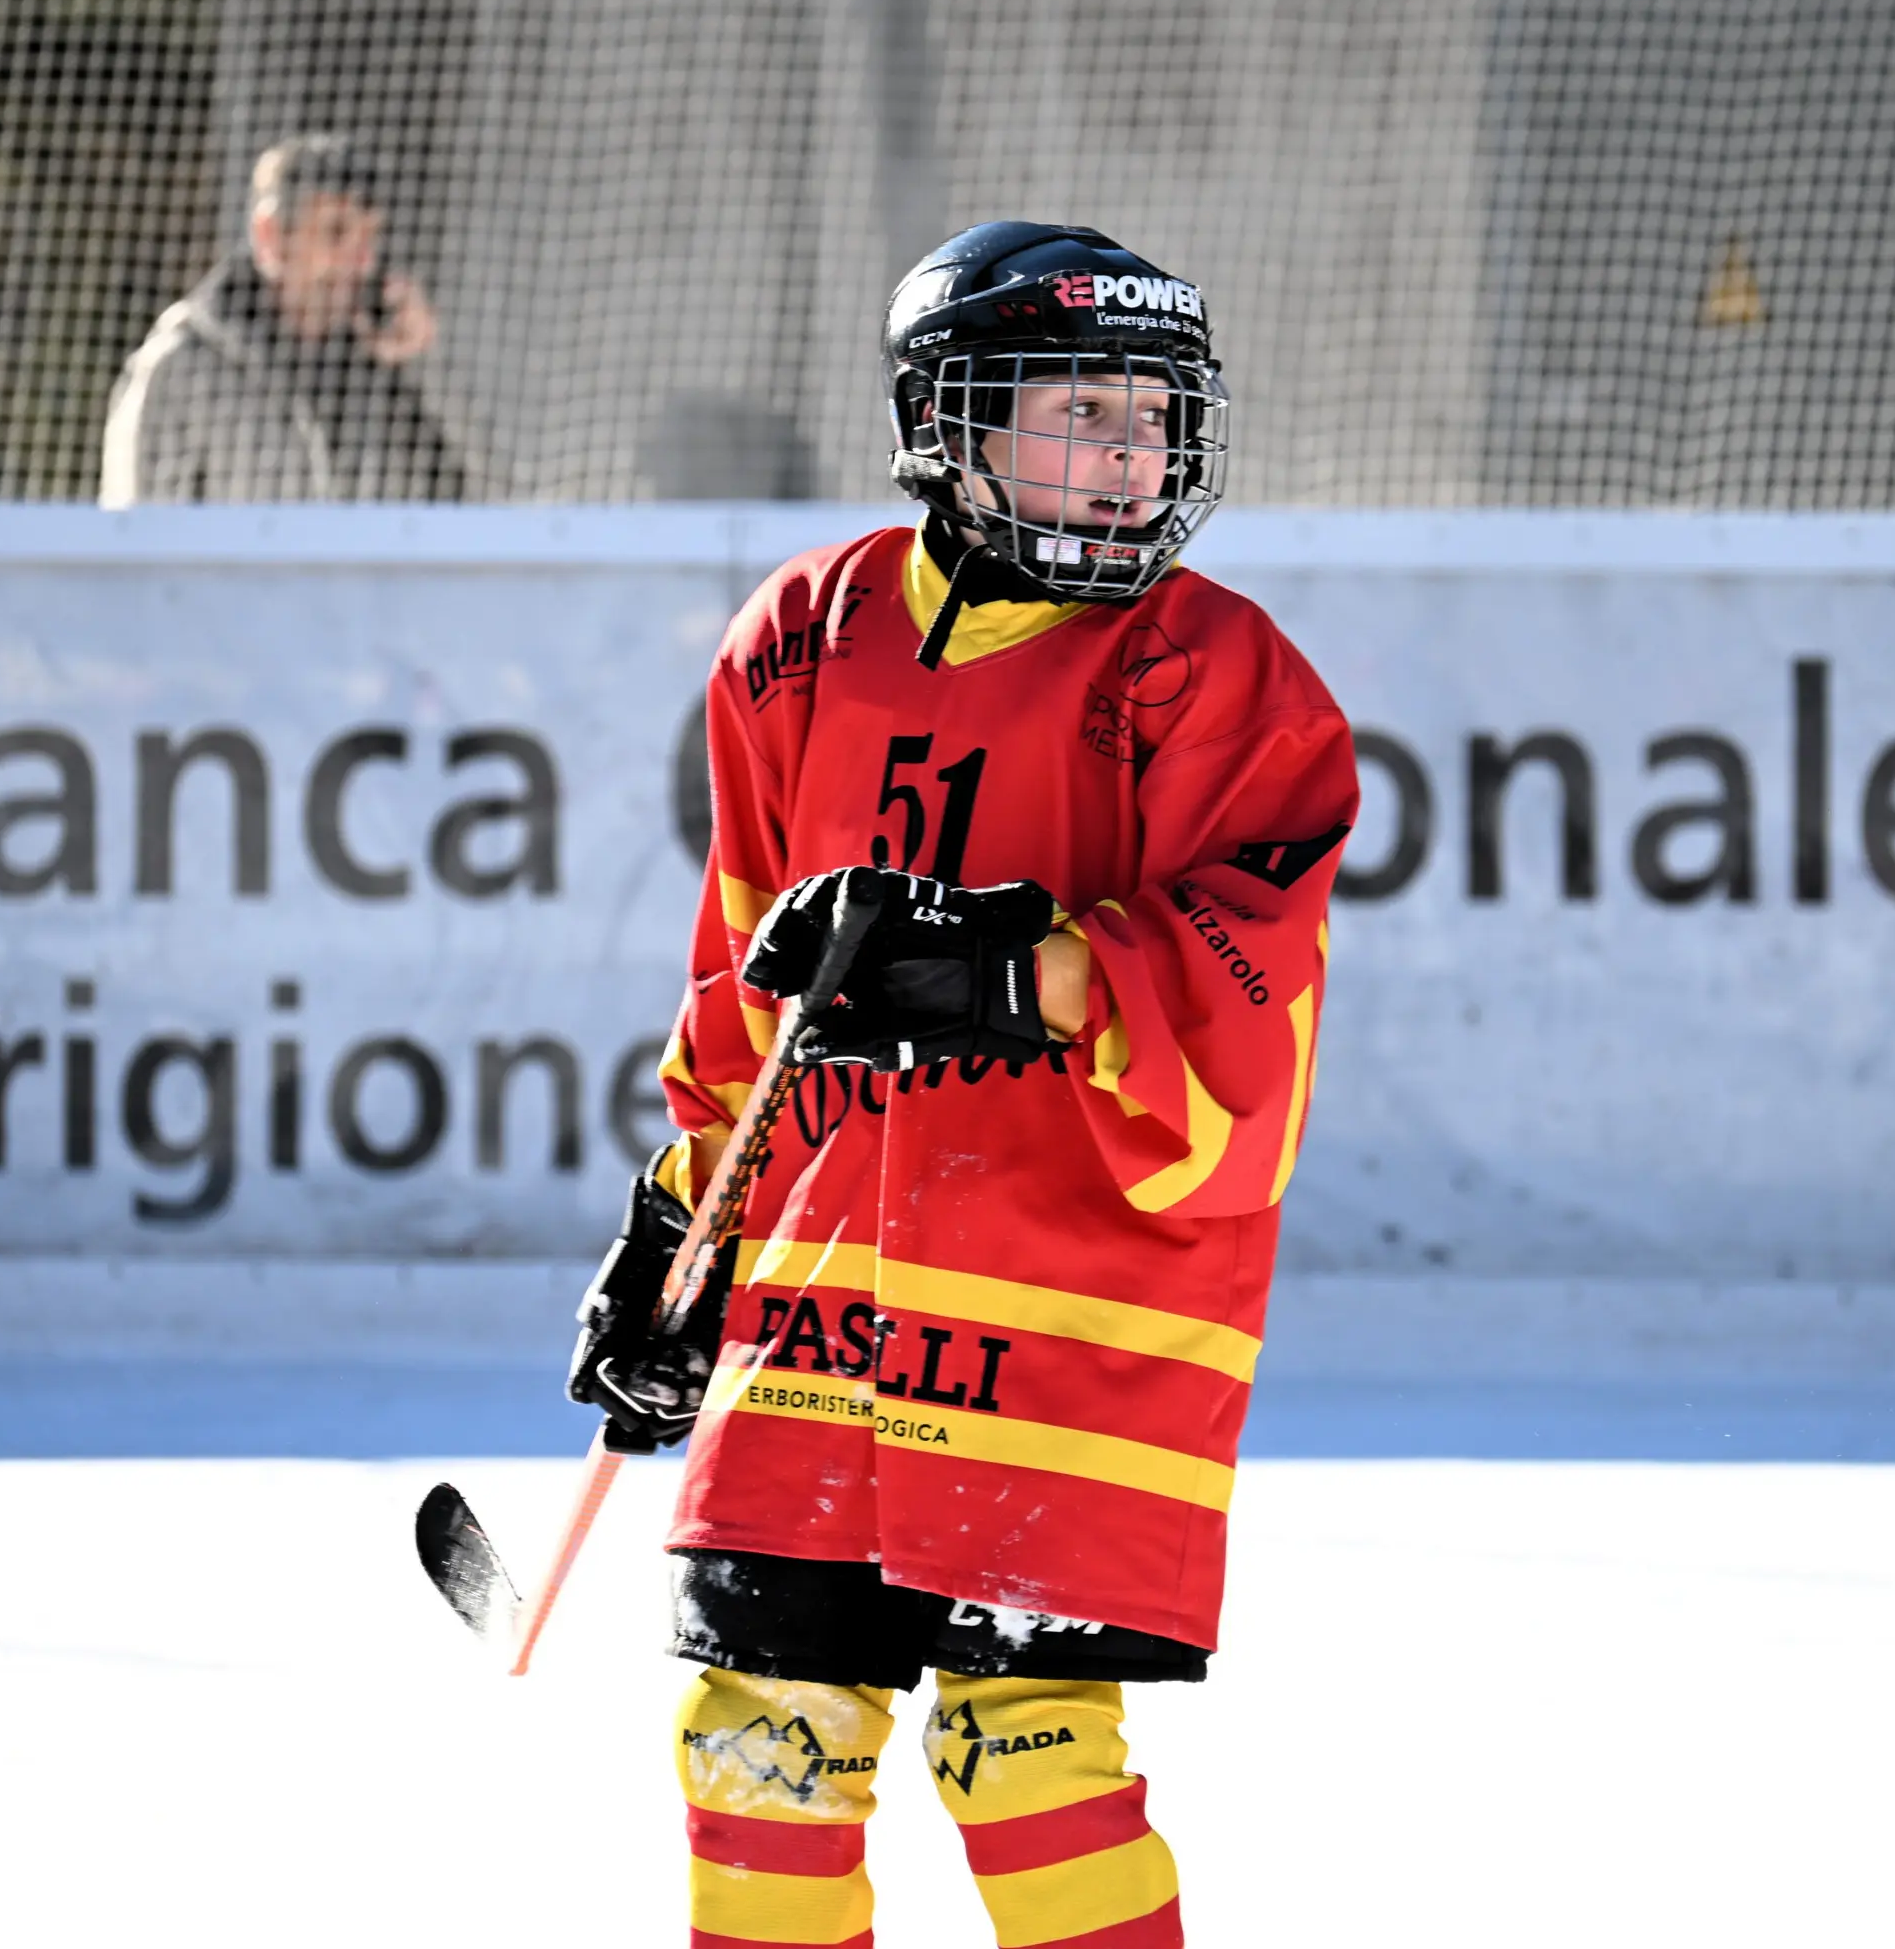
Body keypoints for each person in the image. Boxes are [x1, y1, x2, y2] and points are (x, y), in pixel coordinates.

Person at [569, 221, 1357, 1949]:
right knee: (757, 1738)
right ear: (950, 422)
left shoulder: (1216, 673)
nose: (1126, 459)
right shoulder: (800, 638)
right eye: (1076, 413)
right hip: (825, 1297)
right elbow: (738, 997)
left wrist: (1010, 965)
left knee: (1028, 1747)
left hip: (1076, 1307)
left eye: (1151, 420)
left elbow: (1247, 998)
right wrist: (674, 1237)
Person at [99, 133, 466, 503]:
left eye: (370, 236)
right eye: (336, 232)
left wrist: (424, 364)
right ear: (269, 235)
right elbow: (135, 536)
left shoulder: (385, 379)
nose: (363, 261)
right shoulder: (182, 368)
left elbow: (497, 494)